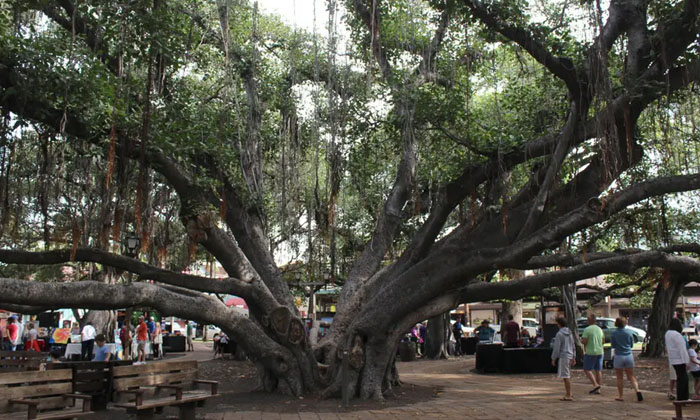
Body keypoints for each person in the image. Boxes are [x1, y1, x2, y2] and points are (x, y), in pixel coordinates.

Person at [610, 317, 643, 402]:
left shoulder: (614, 333)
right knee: (631, 376)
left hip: (619, 356)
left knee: (619, 377)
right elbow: (631, 345)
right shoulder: (629, 333)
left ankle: (620, 396)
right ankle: (637, 390)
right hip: (628, 355)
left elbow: (613, 345)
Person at [551, 317, 575, 401]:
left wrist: (554, 358)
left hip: (564, 355)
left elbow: (556, 347)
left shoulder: (559, 334)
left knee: (566, 376)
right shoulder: (570, 333)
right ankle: (569, 393)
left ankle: (569, 394)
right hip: (570, 355)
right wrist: (574, 356)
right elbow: (573, 345)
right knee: (567, 374)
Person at [667, 317, 691, 401]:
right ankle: (683, 398)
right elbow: (682, 350)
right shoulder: (677, 335)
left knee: (680, 378)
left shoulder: (668, 334)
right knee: (683, 379)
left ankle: (682, 397)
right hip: (680, 360)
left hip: (673, 359)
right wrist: (686, 362)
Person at [581, 314, 604, 394]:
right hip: (600, 351)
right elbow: (603, 341)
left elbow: (584, 341)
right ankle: (598, 388)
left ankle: (595, 384)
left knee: (587, 369)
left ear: (589, 321)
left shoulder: (587, 330)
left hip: (591, 352)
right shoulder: (599, 329)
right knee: (598, 370)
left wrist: (581, 341)